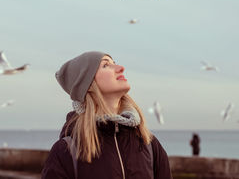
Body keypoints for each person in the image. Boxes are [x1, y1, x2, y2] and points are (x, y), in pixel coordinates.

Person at [41, 51, 172, 179]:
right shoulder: (65, 152)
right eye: (105, 65)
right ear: (87, 84)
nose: (121, 68)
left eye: (114, 63)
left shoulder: (149, 144)